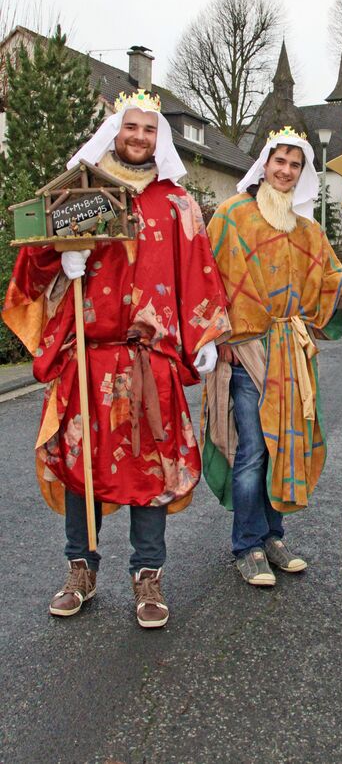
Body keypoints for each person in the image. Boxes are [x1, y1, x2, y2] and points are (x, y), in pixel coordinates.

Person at [3, 90, 230, 628]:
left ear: (160, 138)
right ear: (115, 132)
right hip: (88, 358)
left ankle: (147, 575)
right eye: (131, 128)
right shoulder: (78, 194)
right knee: (80, 466)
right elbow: (30, 270)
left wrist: (205, 338)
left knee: (151, 471)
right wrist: (60, 255)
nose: (139, 138)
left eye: (149, 130)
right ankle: (80, 568)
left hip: (151, 362)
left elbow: (199, 270)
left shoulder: (177, 204)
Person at [202, 127, 342, 586]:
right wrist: (217, 339)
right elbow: (207, 279)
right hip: (247, 350)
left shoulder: (308, 230)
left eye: (295, 164)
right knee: (251, 451)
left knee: (284, 444)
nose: (285, 171)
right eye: (279, 161)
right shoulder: (230, 217)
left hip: (291, 350)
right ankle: (247, 545)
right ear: (264, 163)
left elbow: (330, 283)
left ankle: (273, 537)